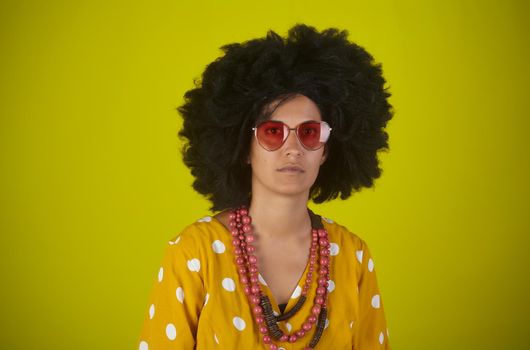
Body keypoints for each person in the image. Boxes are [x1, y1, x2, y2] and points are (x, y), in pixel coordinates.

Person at [138, 23, 393, 349]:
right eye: (273, 132)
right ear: (244, 148)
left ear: (326, 150)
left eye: (309, 132)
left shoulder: (353, 256)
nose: (292, 148)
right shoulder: (194, 253)